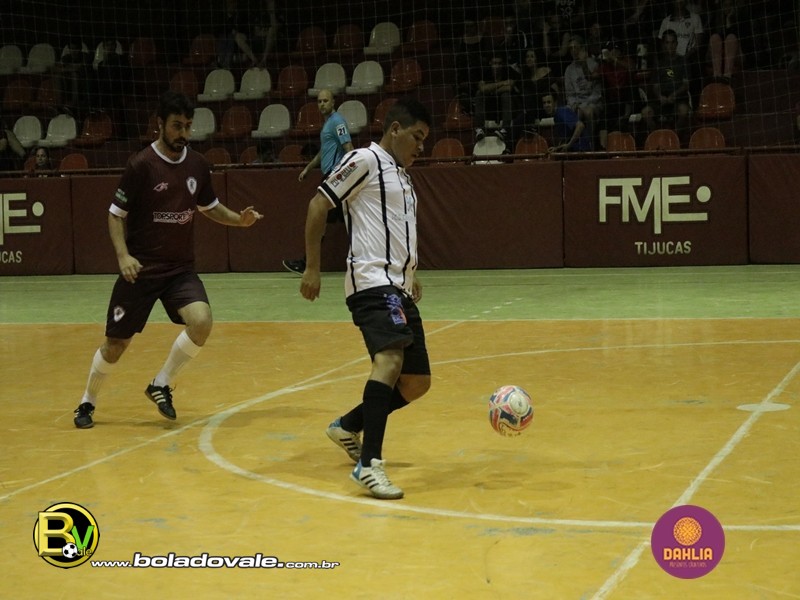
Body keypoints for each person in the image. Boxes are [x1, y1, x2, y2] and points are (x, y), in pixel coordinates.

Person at [72, 91, 263, 429]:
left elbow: (209, 207)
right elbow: (115, 214)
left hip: (179, 270)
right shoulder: (141, 165)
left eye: (188, 126)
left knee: (201, 322)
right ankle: (87, 402)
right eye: (177, 126)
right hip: (141, 270)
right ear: (160, 124)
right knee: (116, 345)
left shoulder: (197, 165)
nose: (183, 133)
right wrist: (123, 255)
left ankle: (160, 384)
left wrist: (239, 220)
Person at [299, 97, 432, 500]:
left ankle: (347, 426)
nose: (421, 146)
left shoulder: (403, 177)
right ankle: (369, 465)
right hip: (372, 282)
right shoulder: (365, 160)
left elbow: (397, 230)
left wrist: (411, 274)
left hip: (399, 286)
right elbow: (318, 204)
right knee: (389, 360)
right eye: (417, 137)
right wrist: (312, 267)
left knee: (417, 382)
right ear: (395, 129)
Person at [281, 89, 354, 275]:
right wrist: (308, 168)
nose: (322, 104)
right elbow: (324, 151)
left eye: (325, 101)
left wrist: (350, 174)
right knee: (343, 219)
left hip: (335, 176)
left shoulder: (337, 121)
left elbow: (349, 148)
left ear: (333, 102)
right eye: (319, 101)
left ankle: (307, 264)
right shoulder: (328, 123)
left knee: (318, 218)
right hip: (332, 176)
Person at [640, 29, 692, 143]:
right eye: (667, 43)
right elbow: (655, 86)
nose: (670, 46)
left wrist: (674, 95)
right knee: (646, 113)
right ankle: (656, 138)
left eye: (672, 42)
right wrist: (660, 97)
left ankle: (674, 139)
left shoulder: (683, 61)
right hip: (661, 100)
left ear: (676, 43)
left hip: (678, 99)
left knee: (683, 111)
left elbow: (686, 85)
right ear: (663, 45)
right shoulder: (659, 64)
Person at [563, 34, 603, 149]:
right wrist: (575, 104)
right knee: (572, 112)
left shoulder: (593, 64)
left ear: (582, 48)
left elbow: (597, 92)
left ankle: (592, 145)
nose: (573, 51)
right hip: (578, 103)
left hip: (593, 102)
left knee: (588, 112)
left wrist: (585, 104)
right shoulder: (569, 70)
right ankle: (575, 146)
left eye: (575, 47)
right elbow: (569, 94)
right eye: (571, 48)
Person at [596, 39, 637, 149]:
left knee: (629, 86)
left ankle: (625, 117)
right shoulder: (605, 66)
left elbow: (632, 69)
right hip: (613, 102)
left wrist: (615, 60)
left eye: (614, 50)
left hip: (629, 102)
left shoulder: (626, 61)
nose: (612, 53)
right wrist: (587, 63)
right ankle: (603, 148)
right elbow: (591, 76)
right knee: (603, 118)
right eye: (610, 51)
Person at [472, 53, 520, 142]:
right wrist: (502, 83)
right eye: (494, 63)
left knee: (505, 94)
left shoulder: (509, 71)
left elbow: (509, 87)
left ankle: (505, 129)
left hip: (508, 106)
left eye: (499, 63)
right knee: (479, 94)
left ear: (503, 64)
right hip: (491, 105)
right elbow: (482, 89)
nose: (497, 66)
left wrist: (490, 90)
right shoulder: (485, 72)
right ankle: (479, 128)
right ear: (490, 63)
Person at [708, 0, 743, 82]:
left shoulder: (740, 18)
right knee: (715, 37)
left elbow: (736, 35)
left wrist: (728, 20)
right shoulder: (716, 19)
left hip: (735, 53)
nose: (728, 8)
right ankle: (717, 76)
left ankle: (727, 76)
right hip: (718, 53)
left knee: (731, 38)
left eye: (730, 5)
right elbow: (717, 34)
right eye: (725, 5)